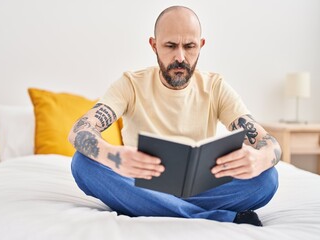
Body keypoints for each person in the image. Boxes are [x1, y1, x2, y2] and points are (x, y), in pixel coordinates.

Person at [68, 6, 281, 227]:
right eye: (170, 46)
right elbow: (79, 130)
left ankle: (149, 207)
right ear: (154, 45)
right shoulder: (130, 84)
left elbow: (268, 143)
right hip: (140, 183)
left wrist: (260, 158)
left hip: (202, 188)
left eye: (189, 46)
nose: (180, 57)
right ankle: (215, 216)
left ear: (201, 45)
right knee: (82, 163)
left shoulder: (215, 86)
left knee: (268, 178)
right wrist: (113, 155)